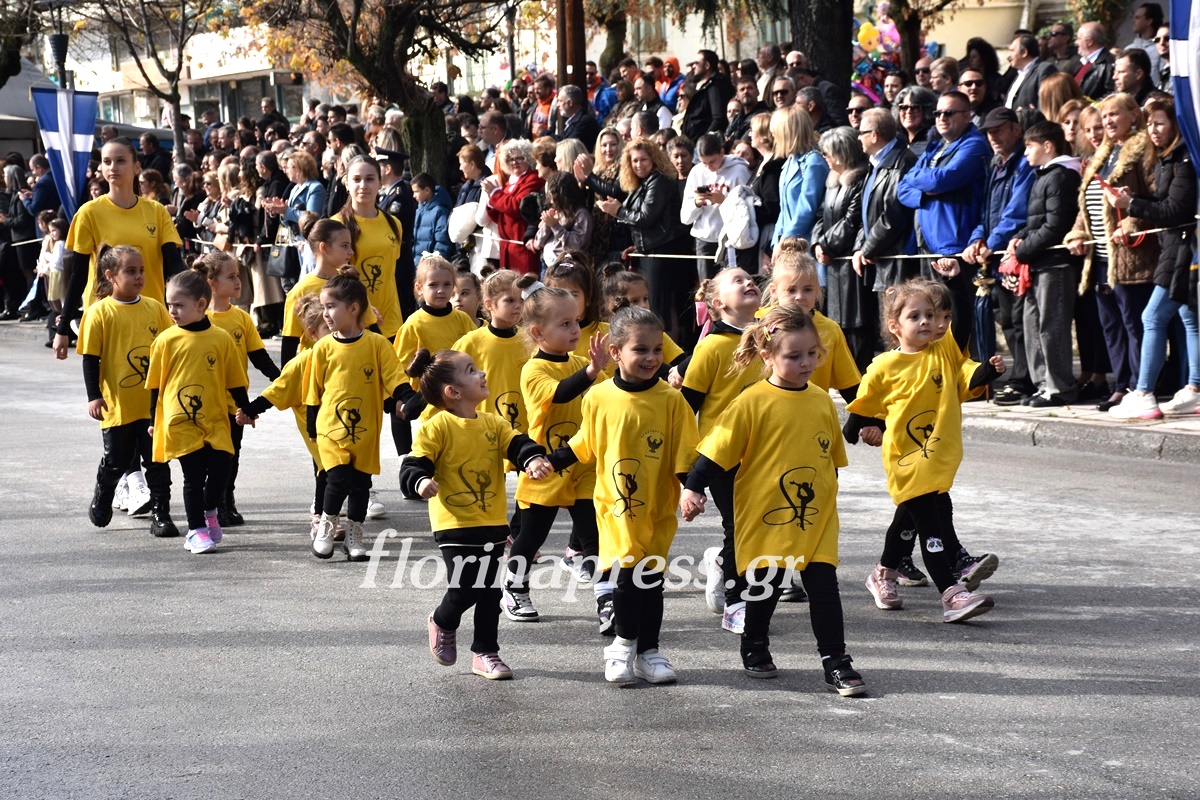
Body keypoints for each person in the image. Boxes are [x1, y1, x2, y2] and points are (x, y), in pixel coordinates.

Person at [680, 306, 866, 694]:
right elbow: (716, 451)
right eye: (794, 356)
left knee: (824, 587)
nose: (806, 363)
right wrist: (693, 487)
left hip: (816, 519)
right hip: (767, 517)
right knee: (767, 585)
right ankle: (754, 643)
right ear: (767, 355)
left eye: (812, 353)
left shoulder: (821, 400)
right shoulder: (752, 401)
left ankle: (836, 660)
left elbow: (830, 461)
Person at [547, 306, 699, 685]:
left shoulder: (672, 401)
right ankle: (621, 646)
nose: (651, 358)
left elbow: (685, 453)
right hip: (614, 507)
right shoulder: (598, 397)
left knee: (652, 579)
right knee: (629, 575)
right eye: (640, 349)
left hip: (658, 508)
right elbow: (584, 443)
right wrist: (551, 460)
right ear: (615, 352)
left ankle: (649, 652)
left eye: (657, 350)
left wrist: (692, 489)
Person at [848, 280, 1004, 622]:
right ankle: (952, 593)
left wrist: (959, 280)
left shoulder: (942, 354)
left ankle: (884, 573)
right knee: (932, 526)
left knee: (911, 517)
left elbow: (962, 330)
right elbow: (865, 400)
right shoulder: (884, 365)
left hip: (937, 457)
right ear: (894, 325)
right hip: (905, 459)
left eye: (931, 315)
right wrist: (858, 426)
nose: (926, 322)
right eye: (915, 316)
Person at [401, 347, 553, 681]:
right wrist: (421, 480)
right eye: (471, 370)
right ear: (453, 392)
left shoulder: (493, 423)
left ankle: (486, 652)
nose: (482, 373)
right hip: (454, 524)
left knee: (490, 592)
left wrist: (532, 459)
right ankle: (443, 620)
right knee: (465, 588)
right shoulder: (436, 427)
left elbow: (518, 443)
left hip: (492, 523)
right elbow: (414, 464)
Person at [503, 276, 610, 629]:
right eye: (564, 323)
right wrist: (592, 370)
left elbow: (612, 392)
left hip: (583, 465)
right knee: (531, 537)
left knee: (593, 536)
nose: (575, 329)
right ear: (537, 333)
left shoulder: (582, 362)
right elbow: (562, 392)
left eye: (575, 321)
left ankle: (607, 599)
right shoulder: (534, 369)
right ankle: (514, 587)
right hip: (544, 466)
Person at [1064, 93, 1161, 412]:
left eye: (1114, 114)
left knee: (1134, 323)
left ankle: (1139, 386)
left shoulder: (1143, 149)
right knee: (1111, 326)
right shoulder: (1101, 155)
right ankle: (1120, 386)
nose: (1107, 121)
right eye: (1104, 116)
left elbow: (1156, 198)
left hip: (1130, 257)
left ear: (1133, 115)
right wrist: (1077, 233)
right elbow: (1087, 206)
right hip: (1100, 259)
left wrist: (1131, 222)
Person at [1105, 97, 1199, 419]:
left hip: (1184, 249)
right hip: (1177, 247)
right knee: (1190, 318)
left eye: (1159, 122)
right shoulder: (1168, 158)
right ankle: (1195, 389)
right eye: (1149, 124)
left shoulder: (1183, 158)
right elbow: (1163, 201)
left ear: (1176, 124)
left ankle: (1144, 393)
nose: (1153, 130)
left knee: (1152, 317)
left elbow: (1175, 210)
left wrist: (1131, 205)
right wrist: (1133, 200)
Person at [305, 267, 408, 560]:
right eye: (324, 307)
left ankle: (354, 534)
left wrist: (407, 396)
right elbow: (313, 390)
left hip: (365, 431)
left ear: (353, 308)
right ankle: (326, 527)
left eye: (331, 306)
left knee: (361, 484)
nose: (325, 314)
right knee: (337, 479)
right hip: (330, 429)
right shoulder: (323, 347)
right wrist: (312, 425)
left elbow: (394, 377)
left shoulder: (377, 344)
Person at [77, 245, 178, 539]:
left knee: (157, 461)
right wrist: (93, 395)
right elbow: (90, 359)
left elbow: (170, 349)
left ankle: (161, 514)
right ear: (111, 275)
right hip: (117, 404)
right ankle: (105, 492)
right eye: (131, 271)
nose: (139, 276)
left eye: (142, 270)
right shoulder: (98, 313)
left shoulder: (155, 308)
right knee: (116, 461)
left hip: (152, 405)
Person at [146, 269, 249, 555]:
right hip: (180, 421)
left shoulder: (221, 338)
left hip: (216, 419)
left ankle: (210, 510)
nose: (172, 311)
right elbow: (155, 385)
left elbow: (235, 380)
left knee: (221, 469)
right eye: (169, 304)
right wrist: (154, 420)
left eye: (179, 305)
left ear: (201, 305)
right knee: (192, 477)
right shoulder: (165, 340)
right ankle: (196, 531)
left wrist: (246, 408)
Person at [683, 267, 763, 632]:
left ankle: (720, 562)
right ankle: (736, 602)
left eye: (750, 278)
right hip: (722, 456)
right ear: (718, 302)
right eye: (738, 280)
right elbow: (687, 408)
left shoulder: (770, 338)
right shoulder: (712, 346)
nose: (749, 282)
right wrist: (690, 472)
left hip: (766, 452)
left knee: (763, 527)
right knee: (739, 527)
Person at [53, 138, 184, 359]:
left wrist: (194, 292)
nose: (113, 167)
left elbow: (174, 265)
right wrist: (63, 327)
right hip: (105, 316)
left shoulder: (157, 212)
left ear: (136, 167)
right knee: (108, 380)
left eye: (121, 161)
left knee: (156, 379)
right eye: (107, 161)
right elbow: (78, 273)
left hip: (152, 315)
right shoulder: (88, 213)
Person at [897, 90, 990, 353]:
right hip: (929, 246)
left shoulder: (974, 144)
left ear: (967, 115)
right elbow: (903, 188)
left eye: (948, 113)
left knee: (960, 319)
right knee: (935, 319)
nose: (941, 118)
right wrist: (926, 192)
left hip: (958, 246)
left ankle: (971, 373)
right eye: (938, 113)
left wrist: (928, 182)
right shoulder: (935, 146)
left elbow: (942, 179)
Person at [236, 293, 332, 541]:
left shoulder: (348, 353)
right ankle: (321, 519)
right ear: (312, 333)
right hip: (317, 429)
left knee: (345, 474)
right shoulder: (303, 362)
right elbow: (277, 390)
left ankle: (341, 518)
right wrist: (250, 410)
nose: (334, 332)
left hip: (345, 424)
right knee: (327, 470)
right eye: (327, 328)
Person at [195, 251, 281, 525]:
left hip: (235, 405)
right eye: (231, 276)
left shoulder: (242, 319)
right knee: (207, 459)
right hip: (205, 405)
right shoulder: (197, 319)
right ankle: (209, 504)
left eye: (238, 275)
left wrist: (281, 379)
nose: (238, 281)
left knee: (231, 456)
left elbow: (259, 357)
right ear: (211, 282)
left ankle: (226, 501)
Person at [963, 107, 1037, 403]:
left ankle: (1023, 380)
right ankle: (1018, 378)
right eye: (989, 132)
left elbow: (1017, 212)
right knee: (1007, 318)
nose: (992, 136)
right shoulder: (995, 164)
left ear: (1016, 130)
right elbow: (985, 212)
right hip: (997, 255)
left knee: (1018, 320)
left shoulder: (1024, 164)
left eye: (998, 130)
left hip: (1016, 253)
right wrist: (977, 239)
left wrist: (991, 243)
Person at [1009, 121, 1084, 407]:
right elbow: (1035, 222)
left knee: (1051, 327)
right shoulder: (1043, 176)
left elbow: (1055, 225)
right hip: (1037, 262)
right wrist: (1018, 238)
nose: (1025, 152)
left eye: (1030, 146)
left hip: (1054, 264)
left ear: (1048, 146)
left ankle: (1060, 387)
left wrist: (1023, 251)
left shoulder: (1061, 176)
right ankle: (1043, 385)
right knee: (1032, 325)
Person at [594, 140, 689, 341]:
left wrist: (618, 211)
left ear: (653, 159)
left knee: (661, 307)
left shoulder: (659, 180)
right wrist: (638, 246)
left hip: (663, 251)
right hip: (651, 250)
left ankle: (668, 350)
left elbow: (646, 218)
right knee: (660, 305)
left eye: (643, 159)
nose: (639, 165)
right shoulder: (643, 183)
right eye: (634, 160)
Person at [812, 127, 875, 371]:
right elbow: (820, 215)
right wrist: (818, 244)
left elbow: (852, 221)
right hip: (833, 263)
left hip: (851, 264)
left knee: (857, 324)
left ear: (842, 153)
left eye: (828, 152)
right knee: (838, 324)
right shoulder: (832, 182)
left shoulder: (859, 180)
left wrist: (826, 244)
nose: (825, 157)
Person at [392, 254, 478, 428]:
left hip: (463, 398)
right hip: (431, 404)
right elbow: (399, 366)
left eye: (447, 284)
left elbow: (478, 349)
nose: (441, 290)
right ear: (419, 288)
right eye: (433, 285)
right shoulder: (414, 323)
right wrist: (404, 397)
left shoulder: (462, 319)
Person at [853, 108, 918, 295]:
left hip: (897, 262)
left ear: (874, 135)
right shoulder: (874, 164)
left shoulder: (903, 163)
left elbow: (893, 215)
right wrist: (860, 248)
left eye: (861, 133)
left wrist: (867, 249)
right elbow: (865, 213)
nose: (858, 138)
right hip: (879, 260)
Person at [682, 132, 754, 278]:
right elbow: (685, 218)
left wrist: (724, 200)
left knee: (732, 283)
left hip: (731, 239)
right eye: (704, 163)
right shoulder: (696, 172)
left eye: (712, 161)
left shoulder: (739, 170)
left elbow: (748, 207)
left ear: (722, 152)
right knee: (707, 285)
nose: (709, 167)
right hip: (705, 238)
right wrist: (697, 203)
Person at [481, 139, 545, 275]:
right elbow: (500, 216)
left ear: (528, 158)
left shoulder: (533, 179)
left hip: (522, 247)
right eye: (511, 159)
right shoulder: (510, 183)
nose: (515, 163)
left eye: (519, 158)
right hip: (507, 247)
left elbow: (517, 207)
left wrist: (495, 194)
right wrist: (491, 202)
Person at [772, 106, 829, 249]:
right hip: (788, 245)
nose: (773, 137)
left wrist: (786, 239)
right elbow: (783, 210)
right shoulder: (788, 163)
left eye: (776, 132)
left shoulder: (813, 161)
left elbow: (807, 207)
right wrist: (776, 241)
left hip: (805, 244)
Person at [532, 171, 592, 269]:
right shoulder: (556, 211)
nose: (550, 197)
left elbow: (576, 245)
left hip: (567, 267)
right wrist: (547, 223)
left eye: (552, 192)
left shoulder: (581, 215)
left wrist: (555, 226)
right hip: (547, 264)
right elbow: (538, 243)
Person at [683, 49, 735, 142]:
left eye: (697, 63)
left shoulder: (716, 85)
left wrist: (705, 140)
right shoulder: (706, 85)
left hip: (704, 144)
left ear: (707, 65)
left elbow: (718, 118)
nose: (693, 66)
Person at [1002, 33, 1057, 110]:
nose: (1008, 56)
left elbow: (1046, 105)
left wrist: (1031, 114)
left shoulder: (1044, 70)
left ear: (1024, 53)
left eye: (1012, 51)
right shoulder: (1019, 73)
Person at [410, 172, 454, 265]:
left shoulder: (440, 211)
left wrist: (434, 264)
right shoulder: (419, 210)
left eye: (416, 192)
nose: (414, 195)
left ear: (427, 190)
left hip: (431, 266)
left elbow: (442, 242)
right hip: (417, 264)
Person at [1074, 22, 1117, 100]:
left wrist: (1089, 105)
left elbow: (1110, 96)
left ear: (1089, 42)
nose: (1076, 43)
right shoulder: (1081, 62)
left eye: (1079, 39)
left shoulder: (1109, 64)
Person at [1125, 2, 1166, 82]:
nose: (1133, 21)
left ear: (1149, 21)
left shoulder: (1161, 48)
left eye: (1137, 18)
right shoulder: (1128, 50)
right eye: (1133, 17)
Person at [892, 85, 937, 156]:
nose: (908, 111)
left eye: (915, 107)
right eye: (904, 107)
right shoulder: (895, 142)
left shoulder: (933, 144)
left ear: (927, 110)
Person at [555, 84, 600, 150]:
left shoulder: (586, 122)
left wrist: (544, 133)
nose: (558, 104)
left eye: (560, 101)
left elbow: (568, 145)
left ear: (570, 103)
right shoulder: (572, 122)